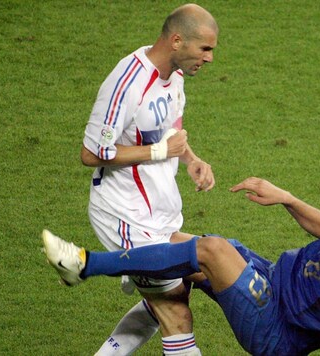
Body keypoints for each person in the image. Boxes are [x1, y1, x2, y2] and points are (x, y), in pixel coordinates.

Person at [43, 177, 320, 355]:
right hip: (270, 276)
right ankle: (133, 299)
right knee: (175, 247)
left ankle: (84, 265)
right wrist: (286, 197)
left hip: (275, 332)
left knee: (212, 251)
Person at [77, 4, 218, 355]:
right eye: (205, 48)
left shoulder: (177, 75)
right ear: (176, 40)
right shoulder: (128, 81)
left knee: (175, 291)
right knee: (174, 313)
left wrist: (190, 158)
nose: (210, 58)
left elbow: (172, 128)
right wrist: (159, 152)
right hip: (124, 213)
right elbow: (91, 153)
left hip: (159, 208)